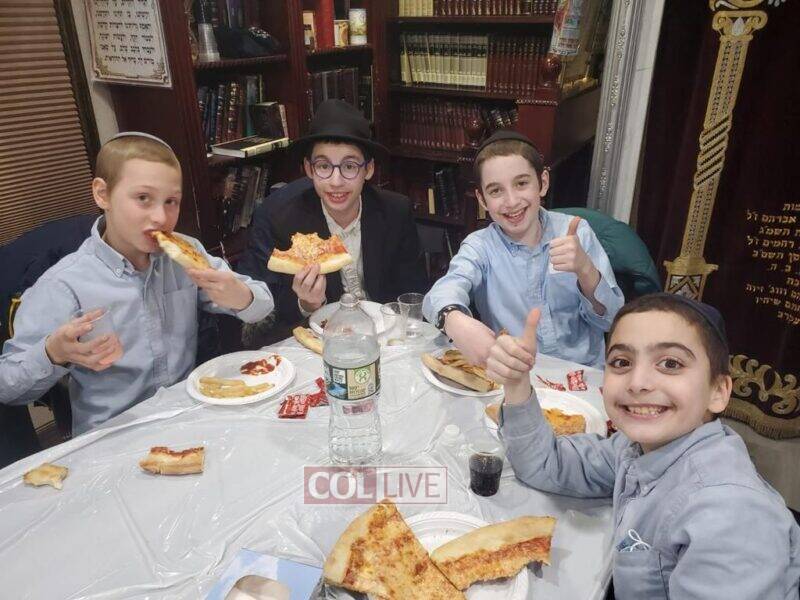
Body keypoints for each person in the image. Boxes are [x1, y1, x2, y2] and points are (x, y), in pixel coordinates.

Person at [488, 293, 800, 598]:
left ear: (718, 391)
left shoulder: (728, 518)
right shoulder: (635, 447)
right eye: (621, 362)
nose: (637, 383)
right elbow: (546, 464)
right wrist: (516, 384)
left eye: (670, 363)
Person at [0, 132, 274, 435]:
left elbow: (262, 305)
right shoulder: (64, 284)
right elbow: (8, 386)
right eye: (143, 198)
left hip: (188, 418)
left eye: (171, 201)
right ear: (102, 194)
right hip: (112, 435)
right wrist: (53, 353)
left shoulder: (186, 253)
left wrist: (241, 296)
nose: (160, 217)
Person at [422, 130, 623, 368]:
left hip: (582, 373)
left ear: (543, 183)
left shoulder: (578, 232)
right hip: (515, 373)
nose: (511, 202)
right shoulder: (480, 246)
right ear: (482, 200)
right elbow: (442, 293)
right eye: (496, 190)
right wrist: (454, 320)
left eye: (521, 183)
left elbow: (611, 320)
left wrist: (585, 269)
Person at [236, 100, 427, 344]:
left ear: (368, 169)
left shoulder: (395, 211)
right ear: (309, 169)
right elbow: (263, 318)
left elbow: (413, 294)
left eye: (349, 166)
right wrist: (306, 303)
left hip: (386, 339)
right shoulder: (278, 219)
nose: (336, 182)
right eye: (324, 166)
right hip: (316, 343)